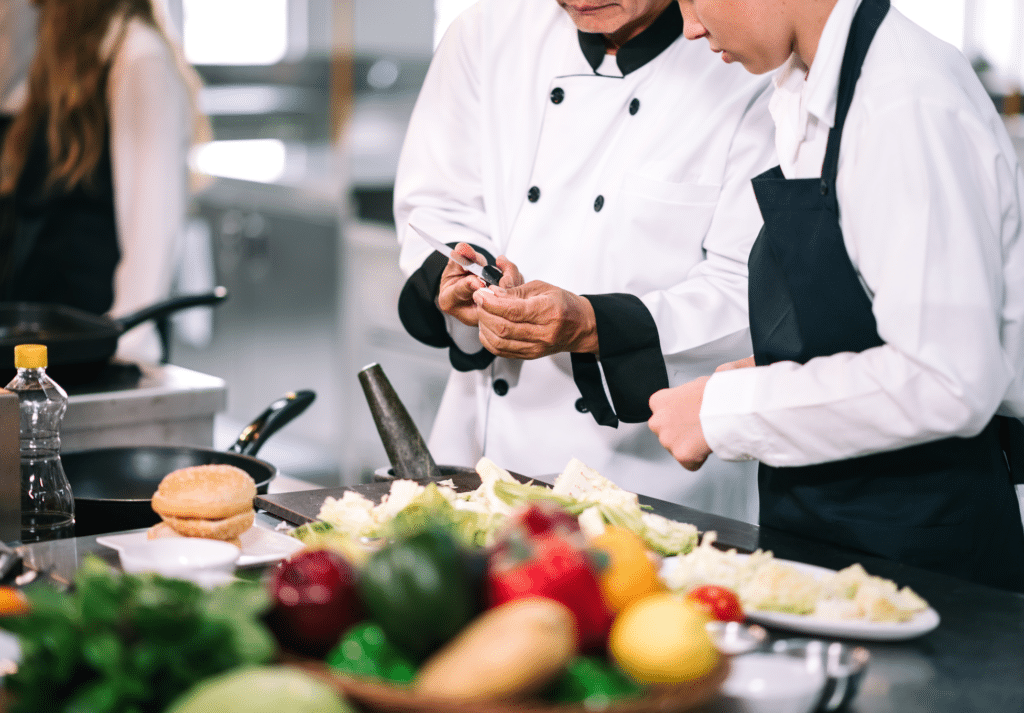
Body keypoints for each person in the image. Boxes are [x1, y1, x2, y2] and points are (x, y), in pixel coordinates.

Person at [650, 0, 1024, 591]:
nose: (690, 26)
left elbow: (946, 380)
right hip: (833, 530)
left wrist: (724, 410)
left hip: (919, 547)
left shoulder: (905, 101)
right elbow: (874, 311)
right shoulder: (815, 82)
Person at [394, 0, 776, 522]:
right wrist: (462, 273)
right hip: (481, 455)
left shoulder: (747, 61)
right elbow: (435, 201)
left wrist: (592, 324)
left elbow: (749, 291)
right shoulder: (486, 33)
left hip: (653, 479)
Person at [0, 0, 207, 363]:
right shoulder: (67, 61)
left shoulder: (139, 59)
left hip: (93, 359)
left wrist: (122, 361)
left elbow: (150, 242)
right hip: (44, 354)